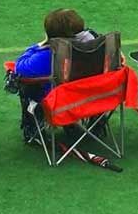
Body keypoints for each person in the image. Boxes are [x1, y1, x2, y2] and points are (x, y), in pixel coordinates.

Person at [14, 9, 96, 139]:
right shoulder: (95, 47)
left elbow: (19, 67)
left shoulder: (46, 56)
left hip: (59, 103)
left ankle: (34, 129)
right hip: (94, 99)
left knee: (20, 81)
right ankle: (83, 125)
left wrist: (38, 45)